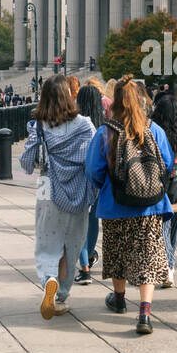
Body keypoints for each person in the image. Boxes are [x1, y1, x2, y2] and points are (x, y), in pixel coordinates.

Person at [86, 74, 176, 335]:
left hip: (116, 204)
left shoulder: (106, 132)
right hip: (151, 206)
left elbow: (93, 170)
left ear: (116, 102)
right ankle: (145, 312)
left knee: (118, 252)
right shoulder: (154, 129)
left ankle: (120, 298)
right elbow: (168, 164)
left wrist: (109, 183)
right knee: (148, 257)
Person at [20, 76, 97, 320]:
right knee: (72, 242)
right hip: (78, 188)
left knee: (46, 241)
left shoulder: (40, 125)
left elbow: (27, 163)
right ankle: (61, 294)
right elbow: (94, 158)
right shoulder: (84, 124)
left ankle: (48, 280)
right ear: (69, 95)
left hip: (47, 185)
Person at [151, 93, 177, 289]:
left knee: (162, 230)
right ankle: (169, 267)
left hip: (160, 186)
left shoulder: (155, 131)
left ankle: (167, 267)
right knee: (173, 231)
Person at [74, 84, 105, 283]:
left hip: (78, 178)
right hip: (98, 178)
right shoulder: (103, 125)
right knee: (93, 219)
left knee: (78, 222)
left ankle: (84, 266)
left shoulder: (77, 124)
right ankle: (91, 253)